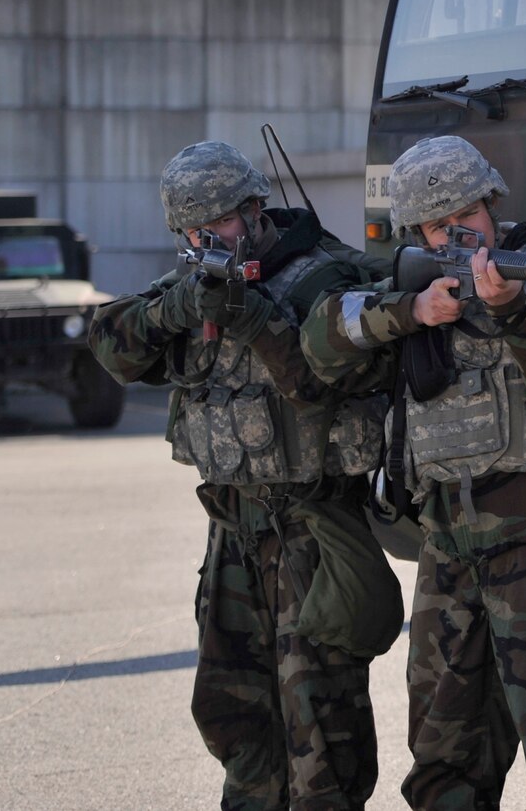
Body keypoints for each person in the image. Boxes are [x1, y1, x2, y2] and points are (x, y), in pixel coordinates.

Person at [300, 135, 526, 811]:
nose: (456, 233)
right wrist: (411, 310)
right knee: (441, 753)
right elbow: (318, 341)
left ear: (491, 202)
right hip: (448, 547)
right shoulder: (415, 283)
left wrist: (517, 312)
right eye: (436, 226)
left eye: (466, 215)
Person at [89, 141, 390, 811]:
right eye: (192, 232)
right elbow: (109, 345)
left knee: (323, 733)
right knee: (233, 714)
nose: (206, 241)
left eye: (218, 225)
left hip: (313, 531)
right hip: (232, 536)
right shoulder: (194, 285)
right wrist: (172, 311)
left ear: (255, 209)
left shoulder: (321, 276)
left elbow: (321, 382)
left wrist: (251, 319)